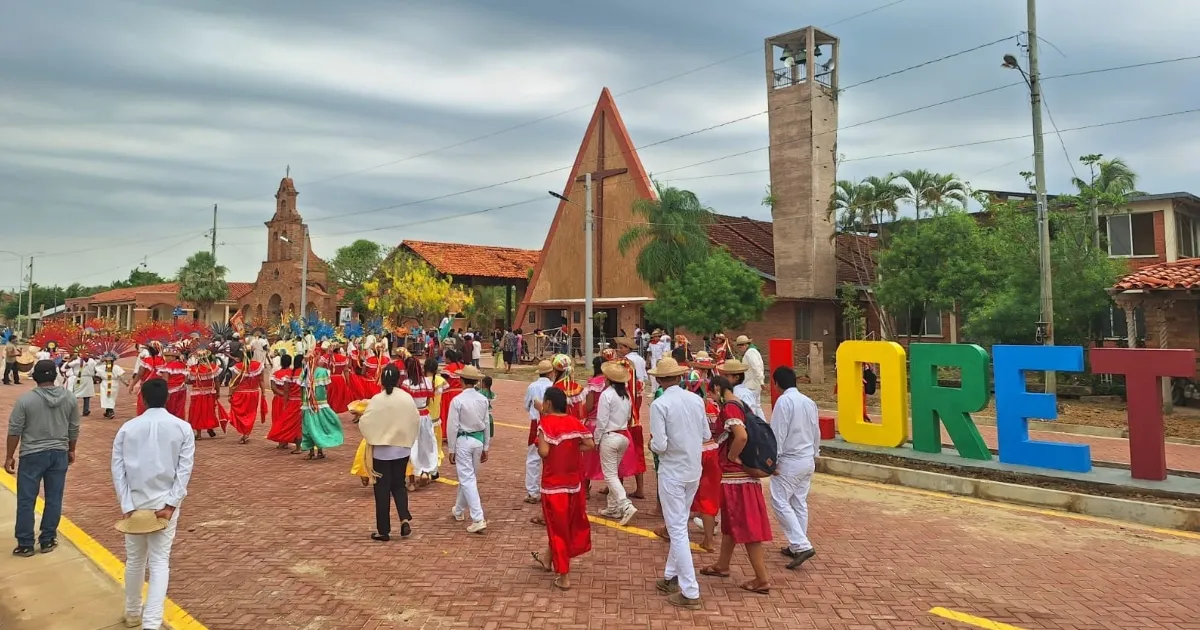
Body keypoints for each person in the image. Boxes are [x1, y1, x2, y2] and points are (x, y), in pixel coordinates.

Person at [111, 378, 195, 630]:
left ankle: (133, 612)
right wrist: (171, 504)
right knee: (159, 562)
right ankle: (151, 622)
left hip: (135, 503)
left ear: (143, 398)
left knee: (135, 561)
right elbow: (184, 469)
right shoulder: (182, 428)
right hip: (164, 505)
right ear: (167, 398)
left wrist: (126, 504)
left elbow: (118, 469)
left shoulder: (128, 428)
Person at [699, 375, 773, 595]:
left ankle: (762, 578)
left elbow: (740, 436)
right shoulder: (741, 404)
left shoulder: (730, 407)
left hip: (736, 477)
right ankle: (723, 564)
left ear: (718, 389)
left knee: (747, 527)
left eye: (711, 392)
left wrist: (732, 457)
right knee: (731, 524)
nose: (711, 396)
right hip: (739, 477)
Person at [647, 357, 709, 610]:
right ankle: (671, 577)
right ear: (680, 377)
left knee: (678, 529)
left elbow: (659, 445)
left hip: (672, 471)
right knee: (679, 523)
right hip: (693, 469)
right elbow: (706, 434)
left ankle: (690, 590)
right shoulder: (696, 400)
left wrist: (651, 444)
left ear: (660, 379)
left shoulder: (660, 404)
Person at [6, 360, 78, 557]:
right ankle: (47, 539)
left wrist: (9, 456)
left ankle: (25, 543)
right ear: (54, 376)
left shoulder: (26, 400)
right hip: (59, 453)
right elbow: (73, 427)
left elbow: (14, 430)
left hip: (31, 454)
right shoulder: (69, 398)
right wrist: (71, 449)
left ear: (35, 377)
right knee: (54, 498)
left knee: (26, 500)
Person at [530, 387, 595, 591]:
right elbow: (590, 444)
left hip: (553, 485)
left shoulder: (546, 423)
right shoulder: (574, 421)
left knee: (557, 528)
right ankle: (547, 558)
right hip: (573, 484)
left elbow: (544, 451)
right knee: (565, 524)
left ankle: (564, 575)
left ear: (548, 403)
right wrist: (572, 450)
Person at [355, 364, 421, 541]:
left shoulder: (377, 399)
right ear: (399, 379)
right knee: (399, 485)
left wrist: (375, 434)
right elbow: (415, 419)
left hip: (382, 452)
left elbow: (365, 423)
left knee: (382, 489)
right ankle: (404, 519)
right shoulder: (406, 398)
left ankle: (383, 530)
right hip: (402, 449)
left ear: (382, 380)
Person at [769, 366, 820, 570]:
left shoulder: (784, 401)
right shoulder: (809, 402)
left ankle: (801, 544)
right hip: (807, 458)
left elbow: (778, 432)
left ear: (777, 383)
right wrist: (815, 453)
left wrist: (772, 459)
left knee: (780, 501)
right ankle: (796, 544)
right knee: (799, 502)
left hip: (790, 460)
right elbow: (816, 431)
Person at [447, 365, 490, 534]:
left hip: (463, 441)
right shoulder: (483, 399)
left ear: (461, 380)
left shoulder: (458, 400)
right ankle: (458, 509)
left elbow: (452, 426)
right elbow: (487, 423)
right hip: (478, 440)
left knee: (467, 478)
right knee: (468, 477)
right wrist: (487, 446)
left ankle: (478, 517)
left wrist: (451, 449)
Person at [595, 360, 637, 525]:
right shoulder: (625, 395)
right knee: (614, 473)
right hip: (623, 436)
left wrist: (597, 439)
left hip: (610, 436)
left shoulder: (607, 394)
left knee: (610, 474)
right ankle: (613, 507)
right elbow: (628, 417)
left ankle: (625, 505)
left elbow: (601, 420)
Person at [400, 356, 440, 491]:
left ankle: (412, 478)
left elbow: (405, 403)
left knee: (412, 447)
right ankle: (425, 472)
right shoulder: (427, 383)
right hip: (425, 416)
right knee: (426, 444)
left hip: (411, 417)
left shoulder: (406, 384)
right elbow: (428, 401)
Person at [300, 348, 345, 460]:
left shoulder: (310, 372)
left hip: (316, 404)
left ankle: (315, 451)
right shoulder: (307, 372)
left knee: (312, 427)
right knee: (314, 426)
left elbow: (304, 390)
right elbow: (324, 388)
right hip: (312, 404)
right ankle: (316, 451)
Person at [522, 360, 553, 504]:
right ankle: (551, 490)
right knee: (552, 458)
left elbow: (527, 406)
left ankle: (533, 492)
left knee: (533, 458)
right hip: (553, 423)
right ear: (550, 372)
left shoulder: (532, 386)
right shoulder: (553, 386)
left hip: (536, 423)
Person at [227, 343, 266, 445]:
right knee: (251, 413)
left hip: (241, 394)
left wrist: (230, 394)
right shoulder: (258, 366)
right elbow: (261, 380)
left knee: (240, 413)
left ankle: (245, 433)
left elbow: (233, 382)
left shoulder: (237, 367)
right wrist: (263, 392)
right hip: (254, 393)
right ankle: (246, 433)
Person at [267, 354, 303, 452]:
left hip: (282, 399)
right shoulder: (299, 373)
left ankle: (282, 442)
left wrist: (284, 396)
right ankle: (296, 444)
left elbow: (274, 388)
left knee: (279, 420)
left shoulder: (278, 373)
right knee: (295, 423)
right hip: (297, 400)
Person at [184, 348, 223, 439]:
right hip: (209, 393)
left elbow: (187, 381)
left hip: (197, 394)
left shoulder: (194, 368)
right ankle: (210, 427)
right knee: (209, 411)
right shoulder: (212, 367)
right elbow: (216, 381)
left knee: (197, 412)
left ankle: (199, 434)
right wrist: (218, 392)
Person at [95, 351, 129, 420]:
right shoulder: (110, 367)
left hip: (110, 383)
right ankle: (108, 411)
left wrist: (125, 382)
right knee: (108, 398)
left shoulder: (106, 367)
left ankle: (110, 411)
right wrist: (125, 382)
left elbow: (95, 367)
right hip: (108, 384)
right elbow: (121, 376)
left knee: (109, 397)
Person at [64, 350, 98, 417]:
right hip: (81, 379)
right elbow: (66, 367)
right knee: (77, 395)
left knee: (86, 396)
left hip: (86, 379)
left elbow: (67, 366)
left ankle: (85, 410)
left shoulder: (91, 361)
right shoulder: (79, 361)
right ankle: (74, 410)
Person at [734, 335, 765, 404]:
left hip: (751, 385)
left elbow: (756, 367)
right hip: (753, 384)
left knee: (751, 405)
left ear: (745, 345)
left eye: (740, 347)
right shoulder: (752, 351)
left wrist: (761, 381)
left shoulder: (750, 352)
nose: (740, 349)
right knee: (757, 405)